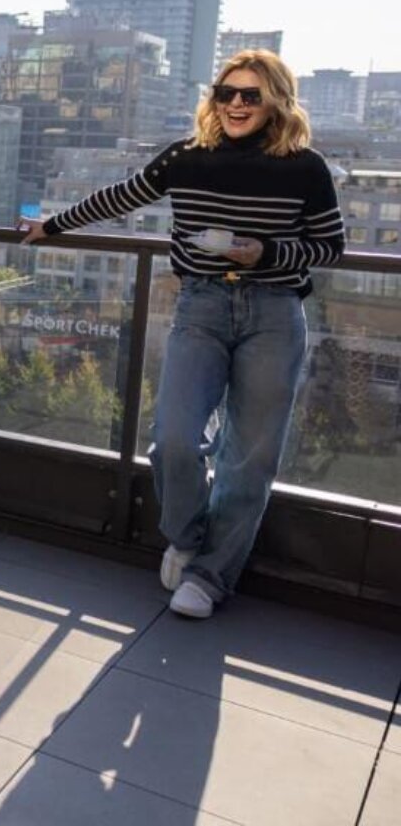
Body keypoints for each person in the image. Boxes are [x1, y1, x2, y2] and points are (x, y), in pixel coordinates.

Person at [20, 49, 344, 619]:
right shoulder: (188, 157)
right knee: (173, 436)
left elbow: (329, 247)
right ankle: (189, 537)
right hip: (201, 304)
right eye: (227, 93)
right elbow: (123, 195)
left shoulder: (305, 167)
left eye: (251, 94)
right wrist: (52, 225)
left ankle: (211, 575)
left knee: (249, 456)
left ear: (276, 101)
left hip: (273, 311)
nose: (237, 104)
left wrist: (265, 251)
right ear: (213, 99)